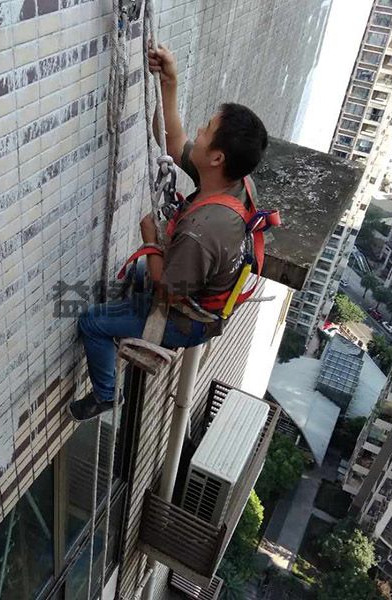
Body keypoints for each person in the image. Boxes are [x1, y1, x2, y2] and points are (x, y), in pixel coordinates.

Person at [68, 43, 269, 421]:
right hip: (197, 287)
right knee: (140, 275)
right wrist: (169, 81)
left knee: (92, 322)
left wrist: (149, 239)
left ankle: (107, 395)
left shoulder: (202, 231)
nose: (199, 129)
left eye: (207, 129)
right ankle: (129, 312)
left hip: (186, 317)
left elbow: (168, 291)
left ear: (217, 158)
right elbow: (173, 143)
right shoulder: (233, 185)